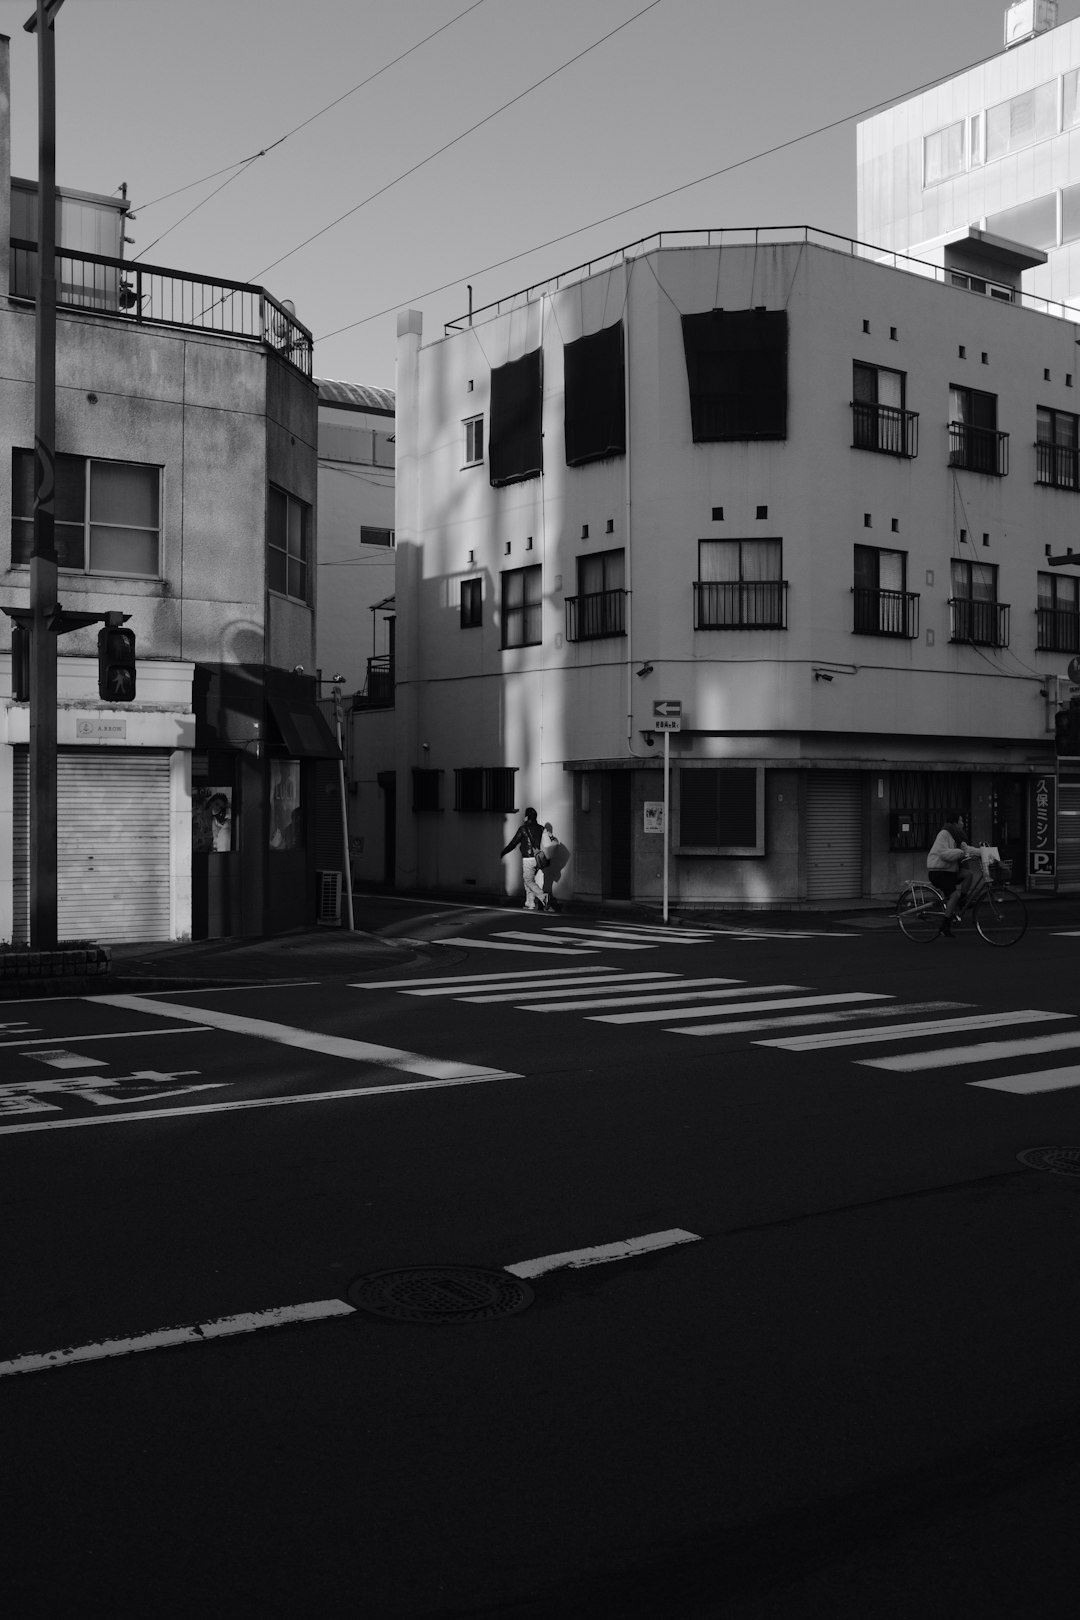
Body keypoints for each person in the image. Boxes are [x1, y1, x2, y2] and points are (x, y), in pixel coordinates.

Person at [927, 813, 978, 935]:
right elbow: (943, 853)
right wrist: (959, 852)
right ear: (955, 823)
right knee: (954, 895)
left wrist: (983, 852)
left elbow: (967, 849)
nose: (963, 823)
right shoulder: (944, 833)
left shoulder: (957, 836)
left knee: (968, 874)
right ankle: (945, 926)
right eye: (961, 820)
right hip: (938, 871)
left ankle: (962, 901)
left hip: (950, 871)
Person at [501, 806, 550, 911]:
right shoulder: (541, 828)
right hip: (538, 859)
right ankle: (530, 903)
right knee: (529, 880)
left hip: (528, 859)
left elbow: (513, 843)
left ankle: (543, 896)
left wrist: (503, 852)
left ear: (527, 817)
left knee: (528, 880)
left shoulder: (523, 828)